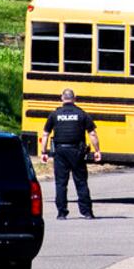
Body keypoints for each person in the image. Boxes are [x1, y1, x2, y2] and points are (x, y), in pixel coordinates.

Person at [40, 88, 100, 220]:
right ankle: (87, 212)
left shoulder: (55, 114)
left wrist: (44, 152)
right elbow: (92, 134)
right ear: (75, 98)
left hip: (60, 152)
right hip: (77, 152)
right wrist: (97, 150)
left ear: (62, 98)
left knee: (61, 183)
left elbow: (45, 134)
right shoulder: (82, 114)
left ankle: (61, 213)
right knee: (81, 182)